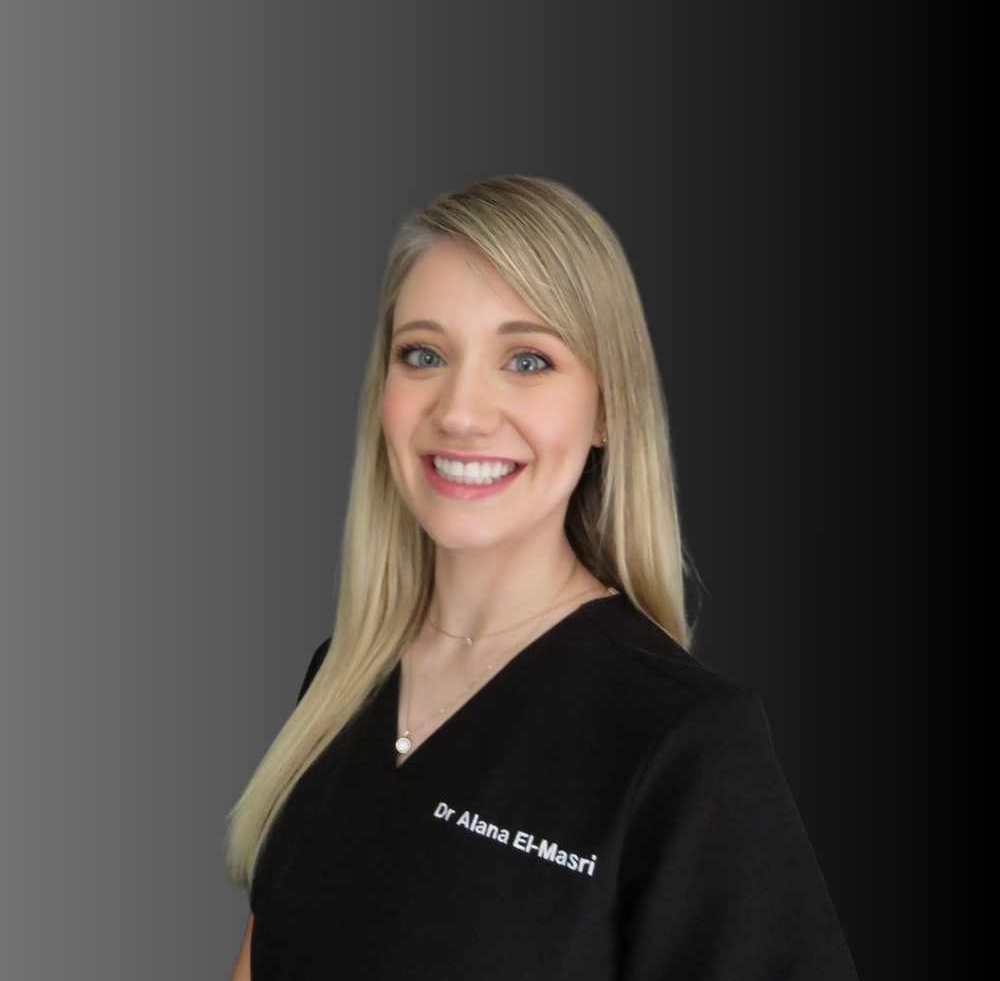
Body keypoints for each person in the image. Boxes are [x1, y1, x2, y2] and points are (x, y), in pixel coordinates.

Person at [225, 175, 857, 980]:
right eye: (424, 354)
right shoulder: (339, 683)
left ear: (605, 411)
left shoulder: (682, 741)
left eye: (527, 360)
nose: (460, 410)